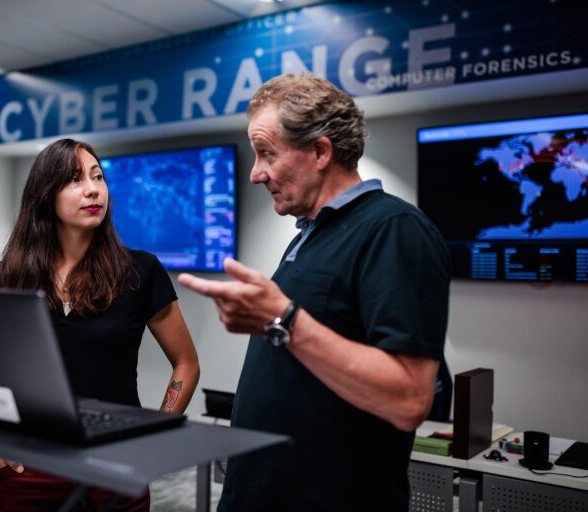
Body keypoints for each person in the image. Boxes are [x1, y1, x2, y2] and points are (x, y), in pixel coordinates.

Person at [178, 73, 451, 512]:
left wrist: (282, 320)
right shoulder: (311, 233)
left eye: (267, 153)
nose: (255, 173)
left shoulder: (393, 230)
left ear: (321, 151)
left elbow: (410, 399)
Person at [0, 138, 200, 512]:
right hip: (28, 463)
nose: (92, 189)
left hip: (116, 463)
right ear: (45, 196)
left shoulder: (140, 271)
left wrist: (155, 437)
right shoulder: (10, 276)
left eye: (97, 177)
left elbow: (186, 362)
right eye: (74, 180)